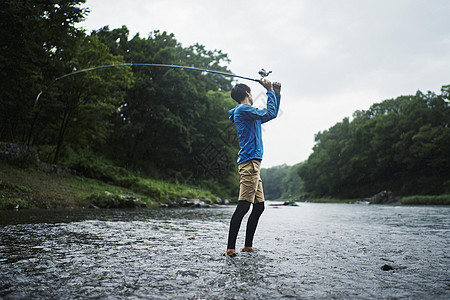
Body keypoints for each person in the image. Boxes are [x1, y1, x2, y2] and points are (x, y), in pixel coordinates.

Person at [225, 79, 281, 257]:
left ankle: (248, 246)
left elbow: (270, 114)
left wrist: (276, 94)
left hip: (254, 163)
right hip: (249, 164)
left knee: (259, 207)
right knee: (243, 206)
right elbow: (270, 113)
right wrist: (269, 90)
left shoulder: (250, 114)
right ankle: (230, 249)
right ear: (248, 94)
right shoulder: (243, 110)